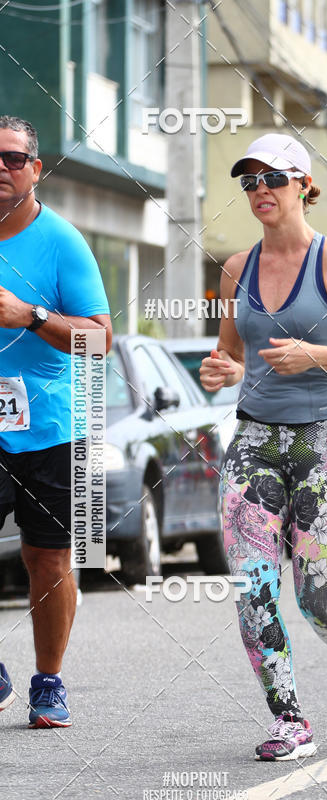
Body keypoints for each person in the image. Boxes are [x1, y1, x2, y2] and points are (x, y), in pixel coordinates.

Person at [200, 133, 327, 761]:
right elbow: (232, 353)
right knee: (252, 586)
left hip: (326, 449)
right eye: (249, 181)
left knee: (319, 596)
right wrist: (224, 370)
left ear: (303, 187)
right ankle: (290, 720)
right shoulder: (237, 268)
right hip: (255, 442)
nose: (260, 190)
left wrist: (315, 353)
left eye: (272, 179)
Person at [0, 117, 111, 726]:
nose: (1, 168)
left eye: (13, 159)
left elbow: (100, 342)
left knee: (48, 559)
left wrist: (30, 314)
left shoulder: (63, 241)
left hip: (52, 428)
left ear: (35, 169)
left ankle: (49, 680)